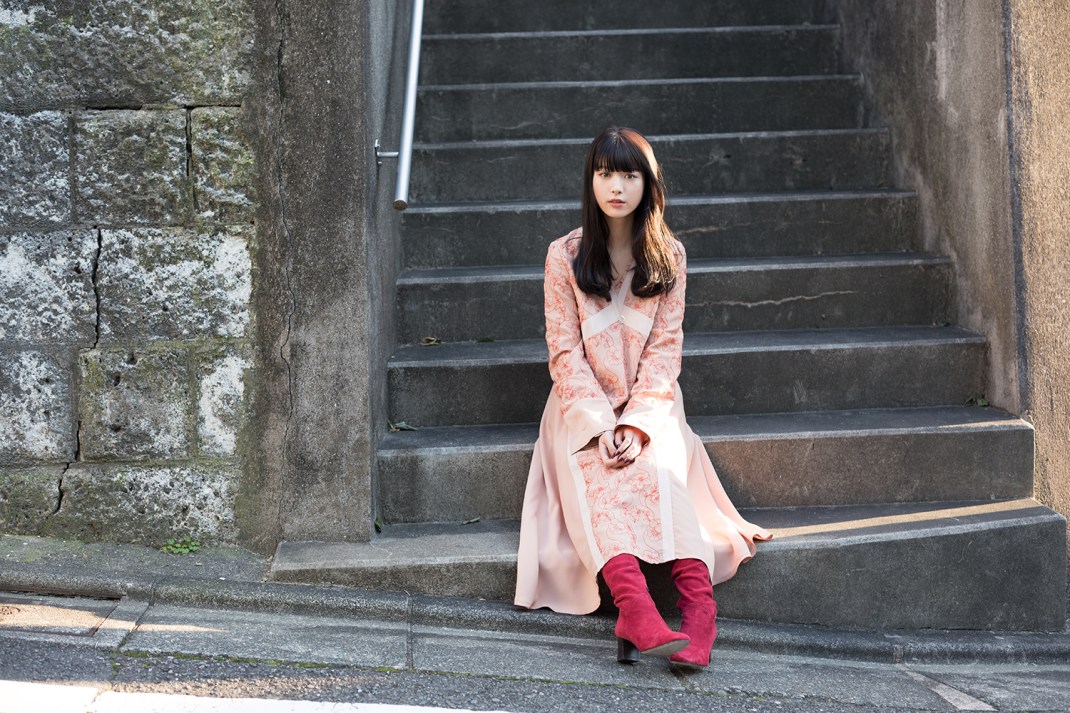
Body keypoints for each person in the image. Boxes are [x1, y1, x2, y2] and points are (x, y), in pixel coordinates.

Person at [514, 126, 772, 669]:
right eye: (605, 173)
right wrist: (601, 425)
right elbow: (564, 353)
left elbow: (665, 350)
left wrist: (638, 423)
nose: (616, 186)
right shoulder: (564, 256)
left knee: (657, 469)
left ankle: (700, 616)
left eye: (629, 175)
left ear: (647, 183)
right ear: (591, 181)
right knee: (601, 471)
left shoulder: (669, 256)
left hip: (653, 403)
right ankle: (635, 610)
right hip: (578, 407)